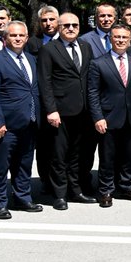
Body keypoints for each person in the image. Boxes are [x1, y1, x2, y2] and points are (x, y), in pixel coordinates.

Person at [0, 20, 41, 218]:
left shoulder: (31, 59)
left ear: (26, 38)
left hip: (29, 122)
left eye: (21, 35)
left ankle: (23, 198)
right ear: (5, 38)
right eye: (13, 35)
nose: (17, 38)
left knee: (24, 164)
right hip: (6, 125)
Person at [87, 23, 131, 206]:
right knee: (108, 157)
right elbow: (93, 93)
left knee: (130, 156)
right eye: (117, 37)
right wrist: (98, 117)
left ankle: (126, 186)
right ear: (110, 38)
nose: (121, 40)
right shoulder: (98, 63)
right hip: (108, 118)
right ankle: (106, 190)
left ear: (130, 40)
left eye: (124, 37)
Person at [38, 12, 95, 207]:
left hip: (83, 111)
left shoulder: (85, 47)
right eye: (66, 25)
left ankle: (76, 190)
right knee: (59, 155)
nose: (71, 28)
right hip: (60, 111)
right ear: (59, 27)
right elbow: (44, 82)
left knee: (77, 154)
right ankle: (60, 194)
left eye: (75, 25)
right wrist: (51, 110)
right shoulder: (49, 49)